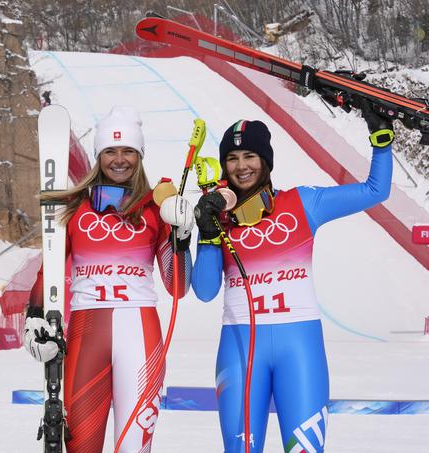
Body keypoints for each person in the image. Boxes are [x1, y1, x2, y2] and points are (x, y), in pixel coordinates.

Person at [191, 103, 394, 452]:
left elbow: (376, 190)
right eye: (233, 157)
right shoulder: (217, 216)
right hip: (240, 348)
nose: (241, 166)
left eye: (250, 155)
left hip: (299, 347)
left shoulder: (303, 203)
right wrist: (207, 234)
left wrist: (382, 140)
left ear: (266, 161)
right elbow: (206, 291)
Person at [24, 106, 194, 452]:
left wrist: (181, 235)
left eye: (128, 150)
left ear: (140, 155)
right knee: (80, 447)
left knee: (134, 447)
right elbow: (49, 271)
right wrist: (33, 317)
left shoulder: (155, 207)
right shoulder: (73, 207)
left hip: (140, 332)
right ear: (98, 156)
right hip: (88, 330)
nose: (120, 159)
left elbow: (177, 284)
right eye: (110, 151)